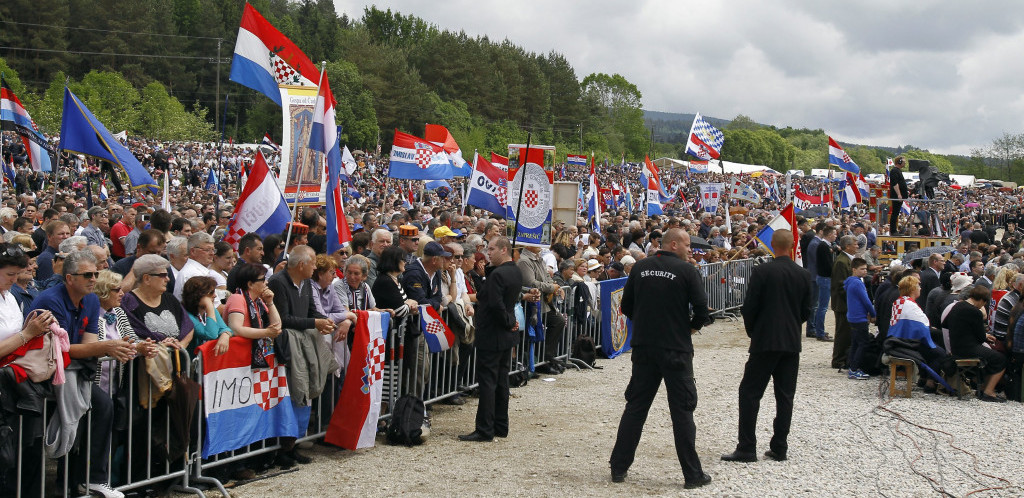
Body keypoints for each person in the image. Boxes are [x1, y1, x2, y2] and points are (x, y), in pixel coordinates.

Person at [609, 228, 712, 489]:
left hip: (645, 346)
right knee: (682, 411)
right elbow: (702, 309)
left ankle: (618, 467)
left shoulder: (641, 268)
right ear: (673, 244)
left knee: (636, 407)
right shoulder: (688, 271)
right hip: (676, 348)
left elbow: (626, 306)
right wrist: (690, 327)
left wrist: (645, 324)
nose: (691, 250)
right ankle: (692, 474)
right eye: (687, 245)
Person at [28, 250, 133, 498]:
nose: (93, 279)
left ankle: (93, 479)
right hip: (43, 372)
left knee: (102, 406)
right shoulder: (50, 300)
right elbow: (61, 348)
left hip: (72, 370)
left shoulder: (91, 299)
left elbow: (87, 343)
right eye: (87, 274)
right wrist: (106, 347)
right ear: (69, 278)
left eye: (95, 273)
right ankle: (60, 485)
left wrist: (112, 346)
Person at [721, 229, 812, 464]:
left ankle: (747, 447)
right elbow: (806, 311)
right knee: (785, 396)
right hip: (791, 341)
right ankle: (780, 446)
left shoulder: (762, 271)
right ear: (792, 246)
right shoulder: (803, 274)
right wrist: (791, 325)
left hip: (765, 339)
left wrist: (754, 331)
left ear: (772, 244)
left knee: (750, 393)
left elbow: (749, 306)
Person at [458, 236, 527, 442]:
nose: (488, 252)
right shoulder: (514, 270)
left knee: (488, 381)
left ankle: (485, 428)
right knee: (501, 380)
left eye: (492, 248)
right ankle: (500, 425)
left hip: (494, 333)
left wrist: (507, 321)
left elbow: (494, 303)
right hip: (505, 333)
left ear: (504, 250)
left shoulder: (499, 274)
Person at [943, 285, 1007, 402]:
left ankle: (983, 388)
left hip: (956, 347)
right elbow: (981, 337)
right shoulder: (975, 312)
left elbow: (945, 324)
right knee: (1000, 358)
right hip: (969, 348)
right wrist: (985, 334)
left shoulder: (957, 306)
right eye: (984, 304)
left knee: (991, 357)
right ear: (982, 300)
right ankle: (988, 391)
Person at [121, 254, 194, 348]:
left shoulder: (170, 299)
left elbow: (188, 326)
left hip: (176, 359)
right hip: (146, 361)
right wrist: (159, 346)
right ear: (146, 278)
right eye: (163, 275)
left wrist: (181, 345)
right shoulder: (128, 301)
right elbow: (130, 334)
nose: (167, 279)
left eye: (167, 275)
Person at [182, 276, 232, 353]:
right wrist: (209, 306)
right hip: (192, 362)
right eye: (211, 293)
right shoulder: (186, 314)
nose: (215, 295)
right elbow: (211, 334)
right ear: (197, 295)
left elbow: (225, 328)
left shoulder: (211, 310)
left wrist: (225, 335)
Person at [845, 258, 876, 379]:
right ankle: (854, 369)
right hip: (859, 317)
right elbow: (866, 300)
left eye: (865, 269)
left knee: (855, 343)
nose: (865, 271)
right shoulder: (858, 283)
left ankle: (852, 365)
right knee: (863, 343)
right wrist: (873, 314)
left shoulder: (849, 282)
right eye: (862, 269)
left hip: (852, 316)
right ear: (854, 269)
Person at [830, 235, 857, 368]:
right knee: (842, 333)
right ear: (848, 246)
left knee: (847, 333)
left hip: (847, 303)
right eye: (855, 244)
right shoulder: (841, 262)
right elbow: (840, 285)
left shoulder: (848, 260)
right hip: (842, 304)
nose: (857, 246)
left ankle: (845, 357)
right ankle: (838, 360)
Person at [813, 226, 836, 342]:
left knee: (821, 306)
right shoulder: (823, 246)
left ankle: (819, 329)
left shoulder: (824, 246)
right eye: (834, 234)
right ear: (829, 234)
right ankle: (820, 332)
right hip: (824, 278)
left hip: (823, 277)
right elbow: (827, 265)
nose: (836, 236)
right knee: (823, 307)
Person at [889, 155, 909, 234]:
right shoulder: (894, 171)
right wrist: (899, 194)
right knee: (895, 213)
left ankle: (894, 229)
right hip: (897, 196)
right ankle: (893, 230)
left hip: (899, 195)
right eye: (904, 162)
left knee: (896, 213)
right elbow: (895, 184)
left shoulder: (898, 171)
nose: (905, 163)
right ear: (899, 162)